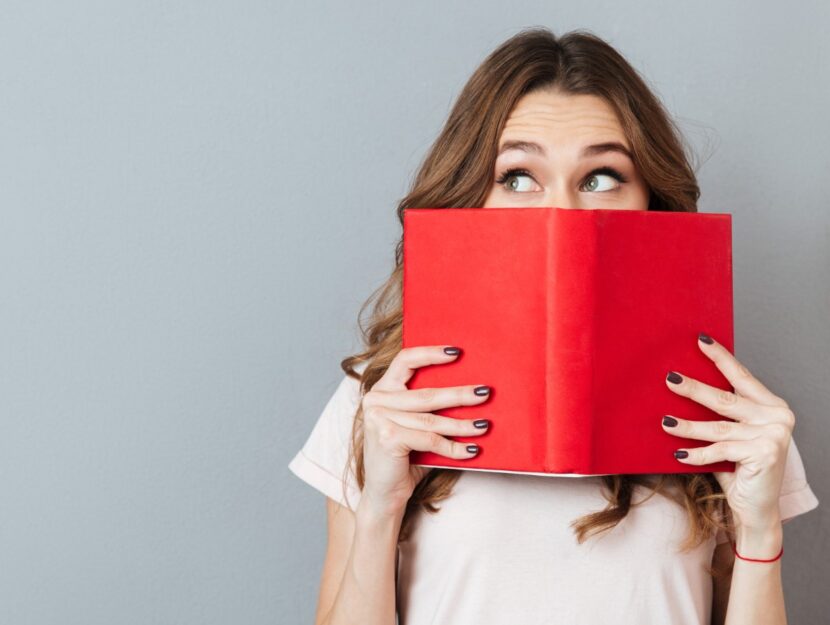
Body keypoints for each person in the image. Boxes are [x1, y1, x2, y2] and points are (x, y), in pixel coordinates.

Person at [287, 27, 820, 625]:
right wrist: (382, 505)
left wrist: (759, 528)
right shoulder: (381, 400)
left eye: (601, 178)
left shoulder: (730, 416)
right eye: (517, 177)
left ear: (651, 199)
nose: (561, 212)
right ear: (472, 196)